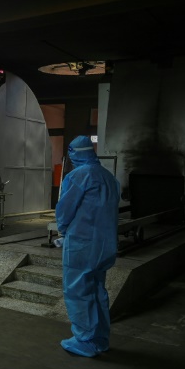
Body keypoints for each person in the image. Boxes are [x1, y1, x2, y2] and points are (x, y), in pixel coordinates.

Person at [55, 136, 120, 357]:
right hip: (104, 244)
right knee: (97, 290)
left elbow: (65, 209)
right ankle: (100, 338)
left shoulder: (78, 176)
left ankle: (85, 340)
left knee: (79, 292)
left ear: (74, 153)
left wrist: (63, 230)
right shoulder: (108, 177)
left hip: (82, 244)